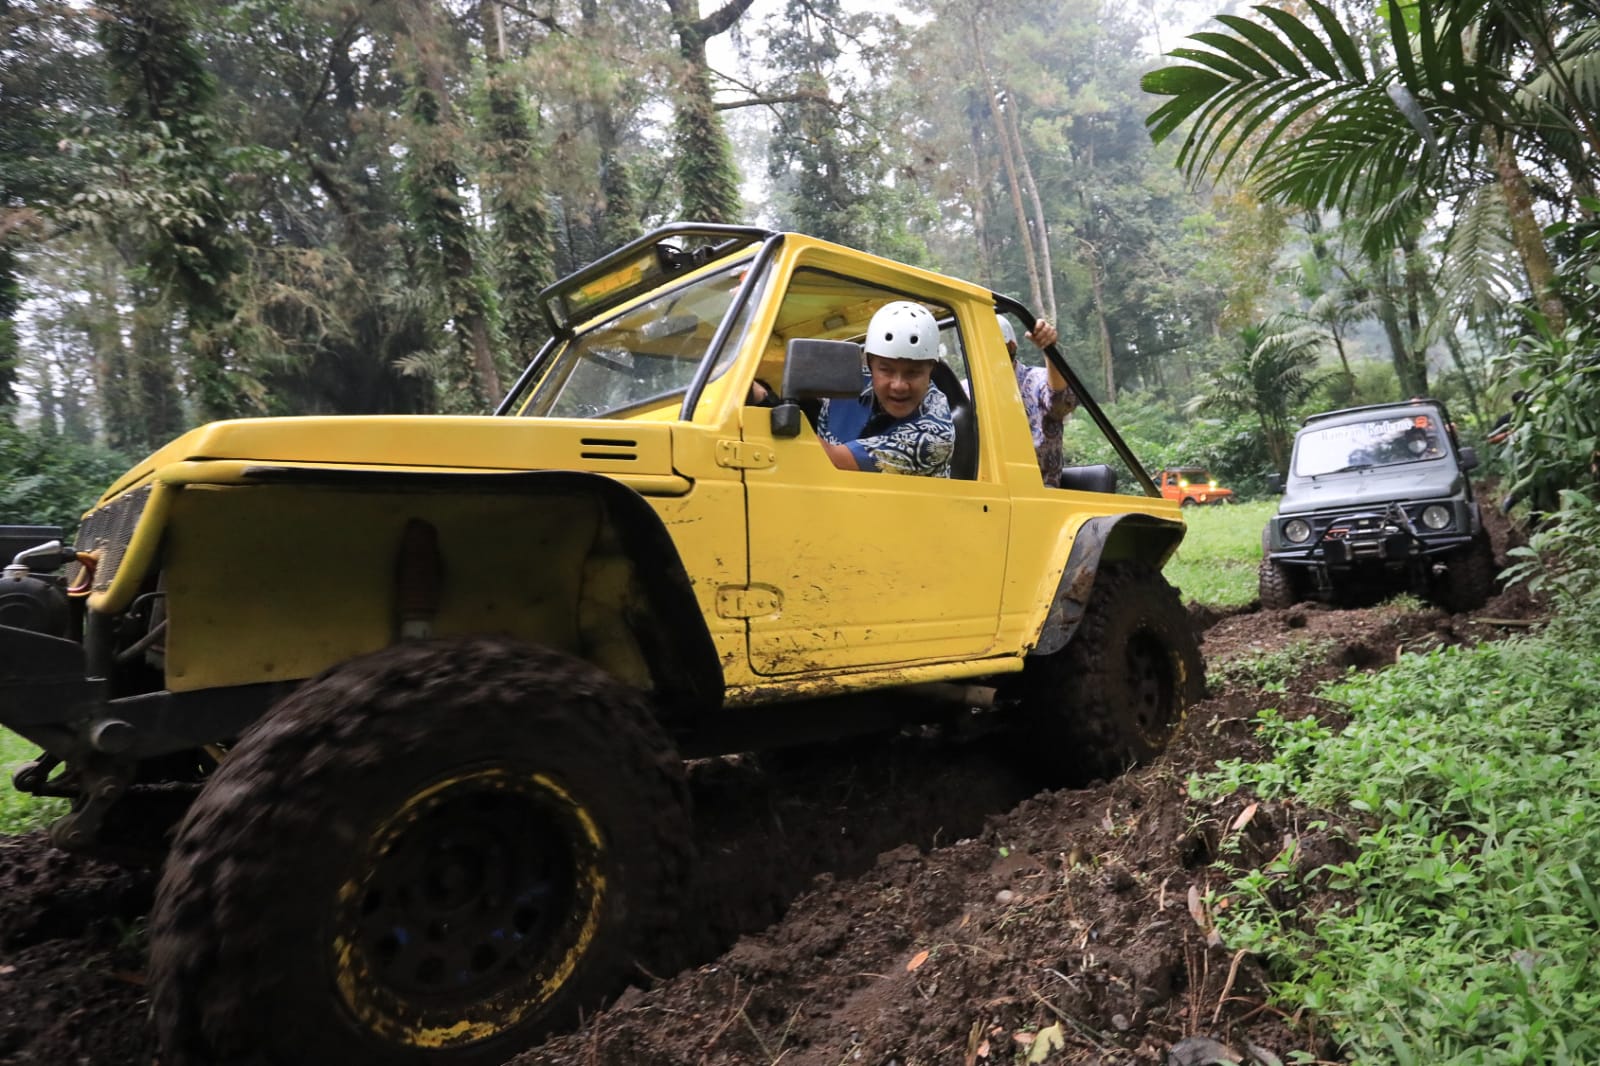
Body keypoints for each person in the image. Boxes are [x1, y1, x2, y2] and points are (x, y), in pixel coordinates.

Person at [814, 301, 955, 476]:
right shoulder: (844, 388)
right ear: (869, 364)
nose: (898, 385)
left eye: (913, 373)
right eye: (886, 370)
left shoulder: (933, 437)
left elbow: (830, 459)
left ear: (931, 369)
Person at [998, 314, 1075, 485]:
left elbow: (1060, 402)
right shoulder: (966, 389)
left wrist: (1049, 349)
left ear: (1011, 347)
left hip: (1038, 492)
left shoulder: (1036, 380)